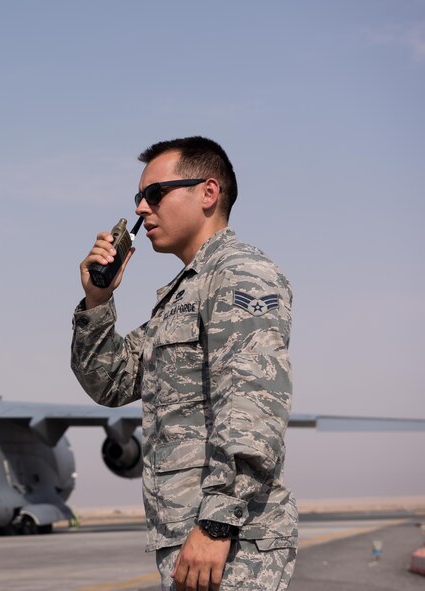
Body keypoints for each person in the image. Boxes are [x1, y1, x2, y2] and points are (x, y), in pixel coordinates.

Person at [71, 137, 297, 591]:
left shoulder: (239, 274)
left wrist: (216, 525)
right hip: (190, 537)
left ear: (208, 193)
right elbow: (110, 382)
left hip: (228, 541)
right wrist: (98, 300)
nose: (141, 210)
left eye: (154, 194)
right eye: (138, 198)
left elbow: (252, 408)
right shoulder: (182, 296)